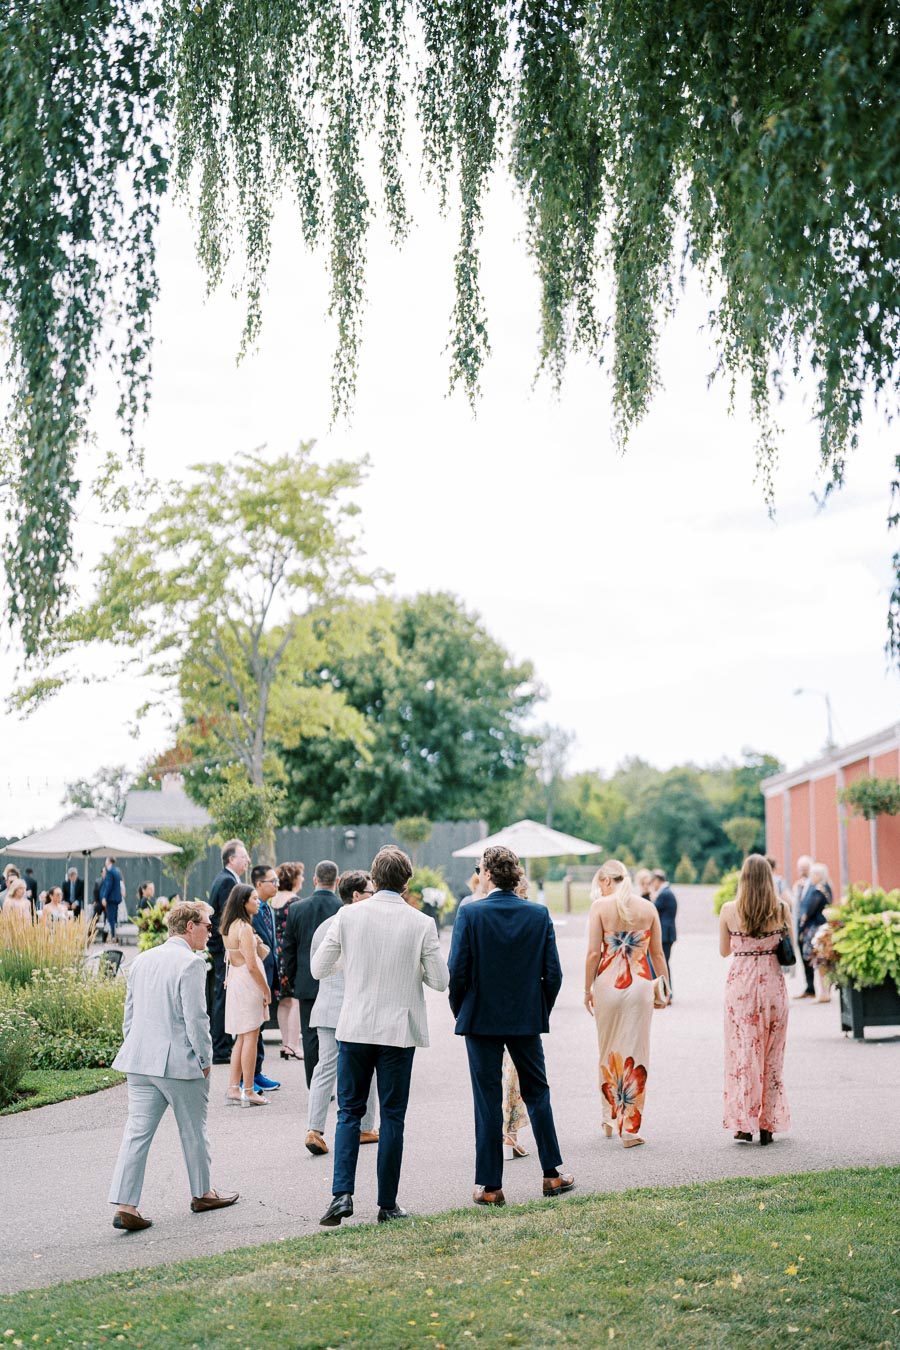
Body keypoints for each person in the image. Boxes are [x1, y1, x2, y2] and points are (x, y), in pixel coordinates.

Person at [313, 846, 449, 1226]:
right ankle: (387, 1204)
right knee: (391, 1117)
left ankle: (341, 1195)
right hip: (398, 1032)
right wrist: (413, 968)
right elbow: (440, 980)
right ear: (407, 882)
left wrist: (353, 963)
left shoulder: (348, 916)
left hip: (355, 1025)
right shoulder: (421, 923)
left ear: (374, 878)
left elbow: (318, 967)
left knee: (349, 1113)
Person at [449, 845, 572, 1207]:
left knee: (487, 1100)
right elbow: (554, 974)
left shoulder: (470, 914)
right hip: (525, 1019)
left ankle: (490, 1186)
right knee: (538, 1093)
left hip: (480, 1018)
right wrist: (538, 1009)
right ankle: (552, 1174)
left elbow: (457, 972)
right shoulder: (537, 914)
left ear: (487, 874)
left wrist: (462, 1010)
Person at [108, 900, 239, 1230]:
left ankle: (126, 1204)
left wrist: (133, 1047)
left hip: (139, 1060)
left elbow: (129, 1017)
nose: (212, 932)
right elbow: (196, 1018)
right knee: (194, 1130)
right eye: (208, 926)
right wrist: (206, 1061)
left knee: (136, 1133)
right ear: (190, 926)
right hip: (178, 1062)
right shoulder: (191, 963)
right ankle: (203, 1192)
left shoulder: (142, 960)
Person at [584, 859, 670, 1149]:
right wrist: (665, 988)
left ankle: (609, 1117)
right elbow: (657, 955)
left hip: (608, 985)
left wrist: (587, 990)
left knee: (607, 1050)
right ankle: (629, 1128)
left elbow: (593, 955)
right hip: (640, 986)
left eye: (599, 884)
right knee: (636, 1053)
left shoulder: (599, 908)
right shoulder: (648, 908)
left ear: (607, 881)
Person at [719, 853, 792, 1145]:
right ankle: (767, 1125)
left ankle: (743, 1123)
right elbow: (786, 945)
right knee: (772, 1056)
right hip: (773, 984)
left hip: (742, 986)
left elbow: (724, 951)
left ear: (743, 878)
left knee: (742, 1055)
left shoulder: (729, 910)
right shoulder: (781, 908)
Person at [305, 870, 379, 1158]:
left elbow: (317, 969)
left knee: (324, 1069)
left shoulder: (324, 926)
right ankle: (365, 1126)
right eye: (371, 893)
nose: (375, 897)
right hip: (355, 1008)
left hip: (326, 1007)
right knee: (367, 1068)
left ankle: (314, 1129)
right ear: (357, 895)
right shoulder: (365, 925)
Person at [282, 860, 341, 1087]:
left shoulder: (296, 909)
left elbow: (288, 949)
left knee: (310, 1036)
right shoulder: (343, 909)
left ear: (315, 880)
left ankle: (315, 1084)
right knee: (339, 1033)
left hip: (306, 981)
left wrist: (293, 977)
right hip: (337, 981)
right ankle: (338, 1083)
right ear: (336, 881)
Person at [221, 884, 272, 1107]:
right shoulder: (244, 929)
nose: (258, 901)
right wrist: (266, 989)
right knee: (251, 1035)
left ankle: (234, 1087)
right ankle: (249, 1089)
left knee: (241, 1037)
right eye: (254, 898)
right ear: (243, 902)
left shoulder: (230, 926)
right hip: (248, 983)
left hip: (236, 981)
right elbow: (252, 966)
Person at [207, 839, 250, 1063]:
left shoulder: (228, 879)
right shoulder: (226, 882)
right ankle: (221, 1049)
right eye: (244, 857)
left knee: (223, 995)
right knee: (223, 995)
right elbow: (227, 919)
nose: (248, 861)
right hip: (224, 949)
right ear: (231, 859)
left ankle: (223, 1045)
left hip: (224, 948)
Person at [249, 864, 282, 1092]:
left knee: (260, 1026)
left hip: (269, 974)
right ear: (259, 884)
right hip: (254, 976)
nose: (277, 885)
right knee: (250, 1028)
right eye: (273, 881)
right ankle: (246, 1076)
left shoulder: (270, 909)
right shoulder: (250, 910)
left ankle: (256, 1073)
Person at [272, 861, 304, 1060]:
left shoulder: (272, 901)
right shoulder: (295, 902)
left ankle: (285, 1043)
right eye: (300, 876)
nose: (302, 879)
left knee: (283, 1001)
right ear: (293, 879)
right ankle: (294, 1044)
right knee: (295, 1001)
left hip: (276, 956)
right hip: (290, 955)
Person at [797, 862, 832, 1001]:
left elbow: (810, 910)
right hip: (824, 927)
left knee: (818, 961)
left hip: (815, 929)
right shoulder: (827, 887)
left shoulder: (818, 890)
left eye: (813, 874)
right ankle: (825, 992)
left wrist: (802, 922)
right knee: (824, 961)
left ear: (818, 875)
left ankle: (823, 993)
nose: (811, 877)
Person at [649, 869, 678, 996]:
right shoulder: (667, 892)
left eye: (652, 881)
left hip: (665, 934)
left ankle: (666, 993)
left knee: (662, 964)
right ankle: (664, 992)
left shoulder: (665, 894)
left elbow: (651, 909)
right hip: (667, 934)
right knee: (663, 963)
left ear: (657, 880)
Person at [99, 856, 124, 942]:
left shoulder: (110, 871)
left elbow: (108, 885)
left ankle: (113, 936)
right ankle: (114, 935)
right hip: (116, 898)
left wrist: (104, 897)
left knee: (110, 918)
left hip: (111, 899)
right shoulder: (116, 871)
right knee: (114, 918)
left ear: (109, 861)